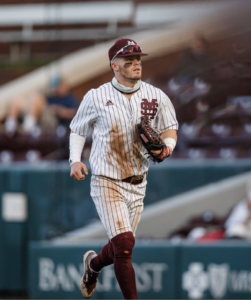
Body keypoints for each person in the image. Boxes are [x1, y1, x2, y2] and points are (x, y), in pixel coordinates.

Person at [69, 38, 178, 299]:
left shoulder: (155, 95)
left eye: (138, 59)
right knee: (125, 244)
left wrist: (168, 148)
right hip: (107, 178)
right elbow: (77, 129)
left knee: (121, 247)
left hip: (138, 182)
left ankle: (93, 265)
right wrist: (75, 159)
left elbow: (170, 126)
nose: (136, 64)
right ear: (114, 66)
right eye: (128, 61)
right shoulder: (96, 96)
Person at [4, 76, 78, 136]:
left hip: (53, 121)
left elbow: (75, 114)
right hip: (40, 115)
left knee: (37, 98)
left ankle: (27, 130)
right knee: (17, 99)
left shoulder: (69, 99)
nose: (57, 88)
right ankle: (10, 129)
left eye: (59, 85)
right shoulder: (52, 97)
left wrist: (59, 110)